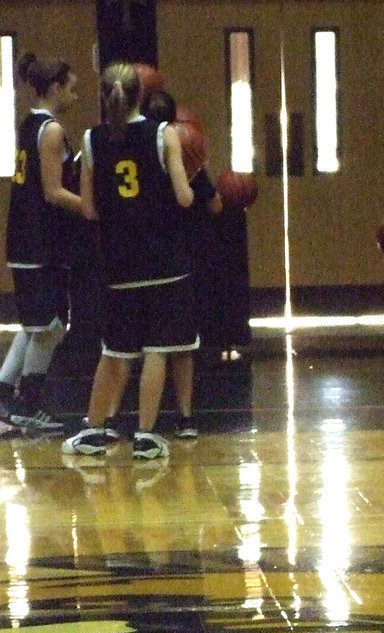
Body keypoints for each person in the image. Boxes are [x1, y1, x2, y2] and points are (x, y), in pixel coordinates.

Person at [60, 61, 195, 461]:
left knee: (115, 351)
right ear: (143, 94)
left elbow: (88, 210)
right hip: (165, 262)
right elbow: (185, 197)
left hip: (119, 263)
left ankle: (94, 429)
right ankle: (147, 436)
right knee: (156, 348)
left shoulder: (91, 139)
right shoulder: (162, 133)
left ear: (105, 96)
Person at [2, 52, 83, 435]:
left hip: (24, 240)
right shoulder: (50, 130)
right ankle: (28, 405)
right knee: (51, 327)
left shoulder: (27, 123)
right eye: (72, 88)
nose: (76, 96)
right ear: (55, 87)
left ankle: (4, 396)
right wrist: (93, 207)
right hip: (39, 244)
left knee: (35, 326)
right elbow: (53, 192)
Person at [141, 89, 222, 440]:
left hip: (137, 258)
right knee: (180, 346)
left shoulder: (127, 149)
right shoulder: (182, 153)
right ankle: (184, 417)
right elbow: (214, 205)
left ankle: (127, 421)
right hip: (178, 258)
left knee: (131, 350)